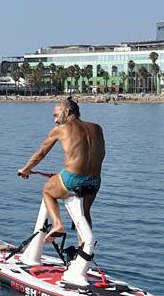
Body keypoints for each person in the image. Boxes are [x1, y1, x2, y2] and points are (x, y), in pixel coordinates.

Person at [17, 96, 105, 241]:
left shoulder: (61, 129)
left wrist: (26, 169)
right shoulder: (97, 128)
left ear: (68, 111)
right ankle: (83, 252)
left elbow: (41, 153)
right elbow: (101, 154)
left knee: (47, 191)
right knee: (84, 213)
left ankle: (57, 224)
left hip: (73, 178)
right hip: (95, 181)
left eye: (56, 115)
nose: (55, 120)